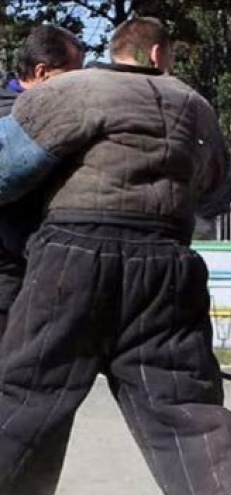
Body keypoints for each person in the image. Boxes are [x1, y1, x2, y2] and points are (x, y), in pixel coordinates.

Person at [0, 17, 231, 495]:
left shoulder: (72, 90)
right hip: (166, 266)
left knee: (27, 401)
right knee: (189, 411)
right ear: (160, 55)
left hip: (70, 259)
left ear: (114, 48)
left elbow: (5, 172)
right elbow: (216, 195)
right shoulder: (194, 104)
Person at [0, 24, 84, 495]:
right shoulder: (18, 121)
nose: (83, 86)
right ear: (42, 73)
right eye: (74, 75)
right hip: (12, 279)